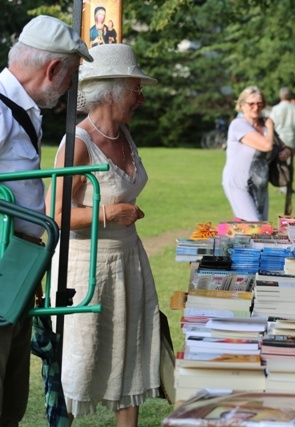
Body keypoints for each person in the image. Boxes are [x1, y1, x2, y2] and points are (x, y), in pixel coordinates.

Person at [46, 43, 160, 426]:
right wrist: (112, 212)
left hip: (128, 262)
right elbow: (57, 214)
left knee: (133, 353)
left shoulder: (124, 134)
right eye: (135, 88)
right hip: (86, 268)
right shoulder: (77, 143)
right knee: (83, 360)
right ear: (111, 90)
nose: (141, 98)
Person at [0, 15, 92, 427]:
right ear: (53, 68)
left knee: (11, 397)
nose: (71, 86)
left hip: (19, 264)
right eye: (71, 74)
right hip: (4, 263)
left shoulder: (20, 107)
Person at [222, 86, 290, 221]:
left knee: (259, 229)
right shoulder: (238, 125)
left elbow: (284, 147)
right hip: (239, 183)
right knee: (255, 225)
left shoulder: (264, 125)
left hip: (260, 184)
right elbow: (266, 145)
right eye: (251, 104)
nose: (256, 107)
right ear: (242, 105)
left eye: (259, 103)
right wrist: (270, 126)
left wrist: (286, 153)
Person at [269, 87, 295, 195]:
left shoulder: (276, 108)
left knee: (281, 162)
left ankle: (283, 185)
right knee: (290, 162)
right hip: (292, 136)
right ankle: (289, 185)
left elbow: (271, 123)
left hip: (280, 137)